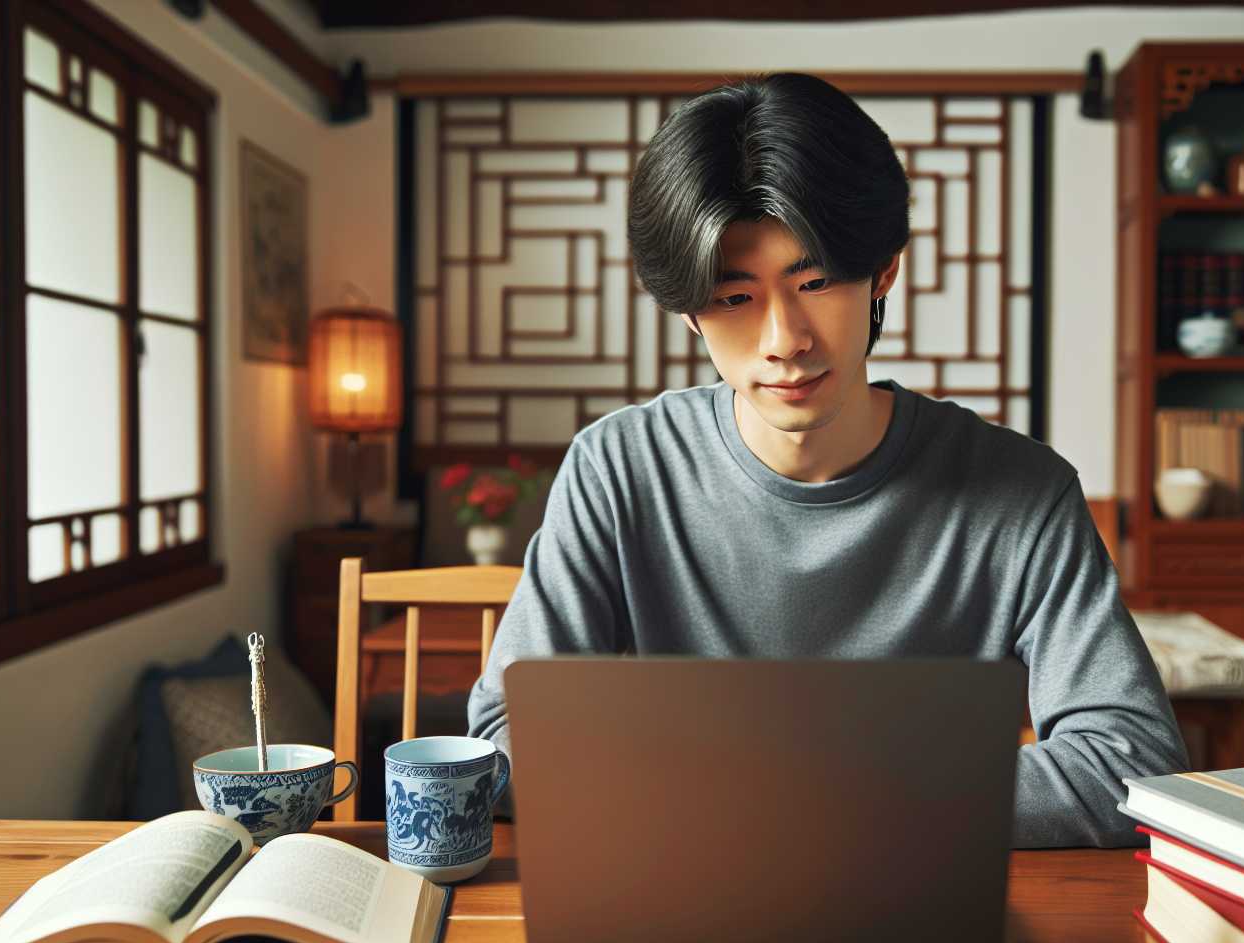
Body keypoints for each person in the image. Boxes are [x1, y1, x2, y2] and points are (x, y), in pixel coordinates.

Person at [466, 71, 1187, 847]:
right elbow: (507, 732)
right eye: (734, 297)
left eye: (815, 281)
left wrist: (818, 794)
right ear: (687, 311)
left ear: (883, 271)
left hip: (918, 914)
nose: (785, 340)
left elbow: (1131, 763)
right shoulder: (618, 469)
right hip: (686, 901)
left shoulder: (1023, 491)